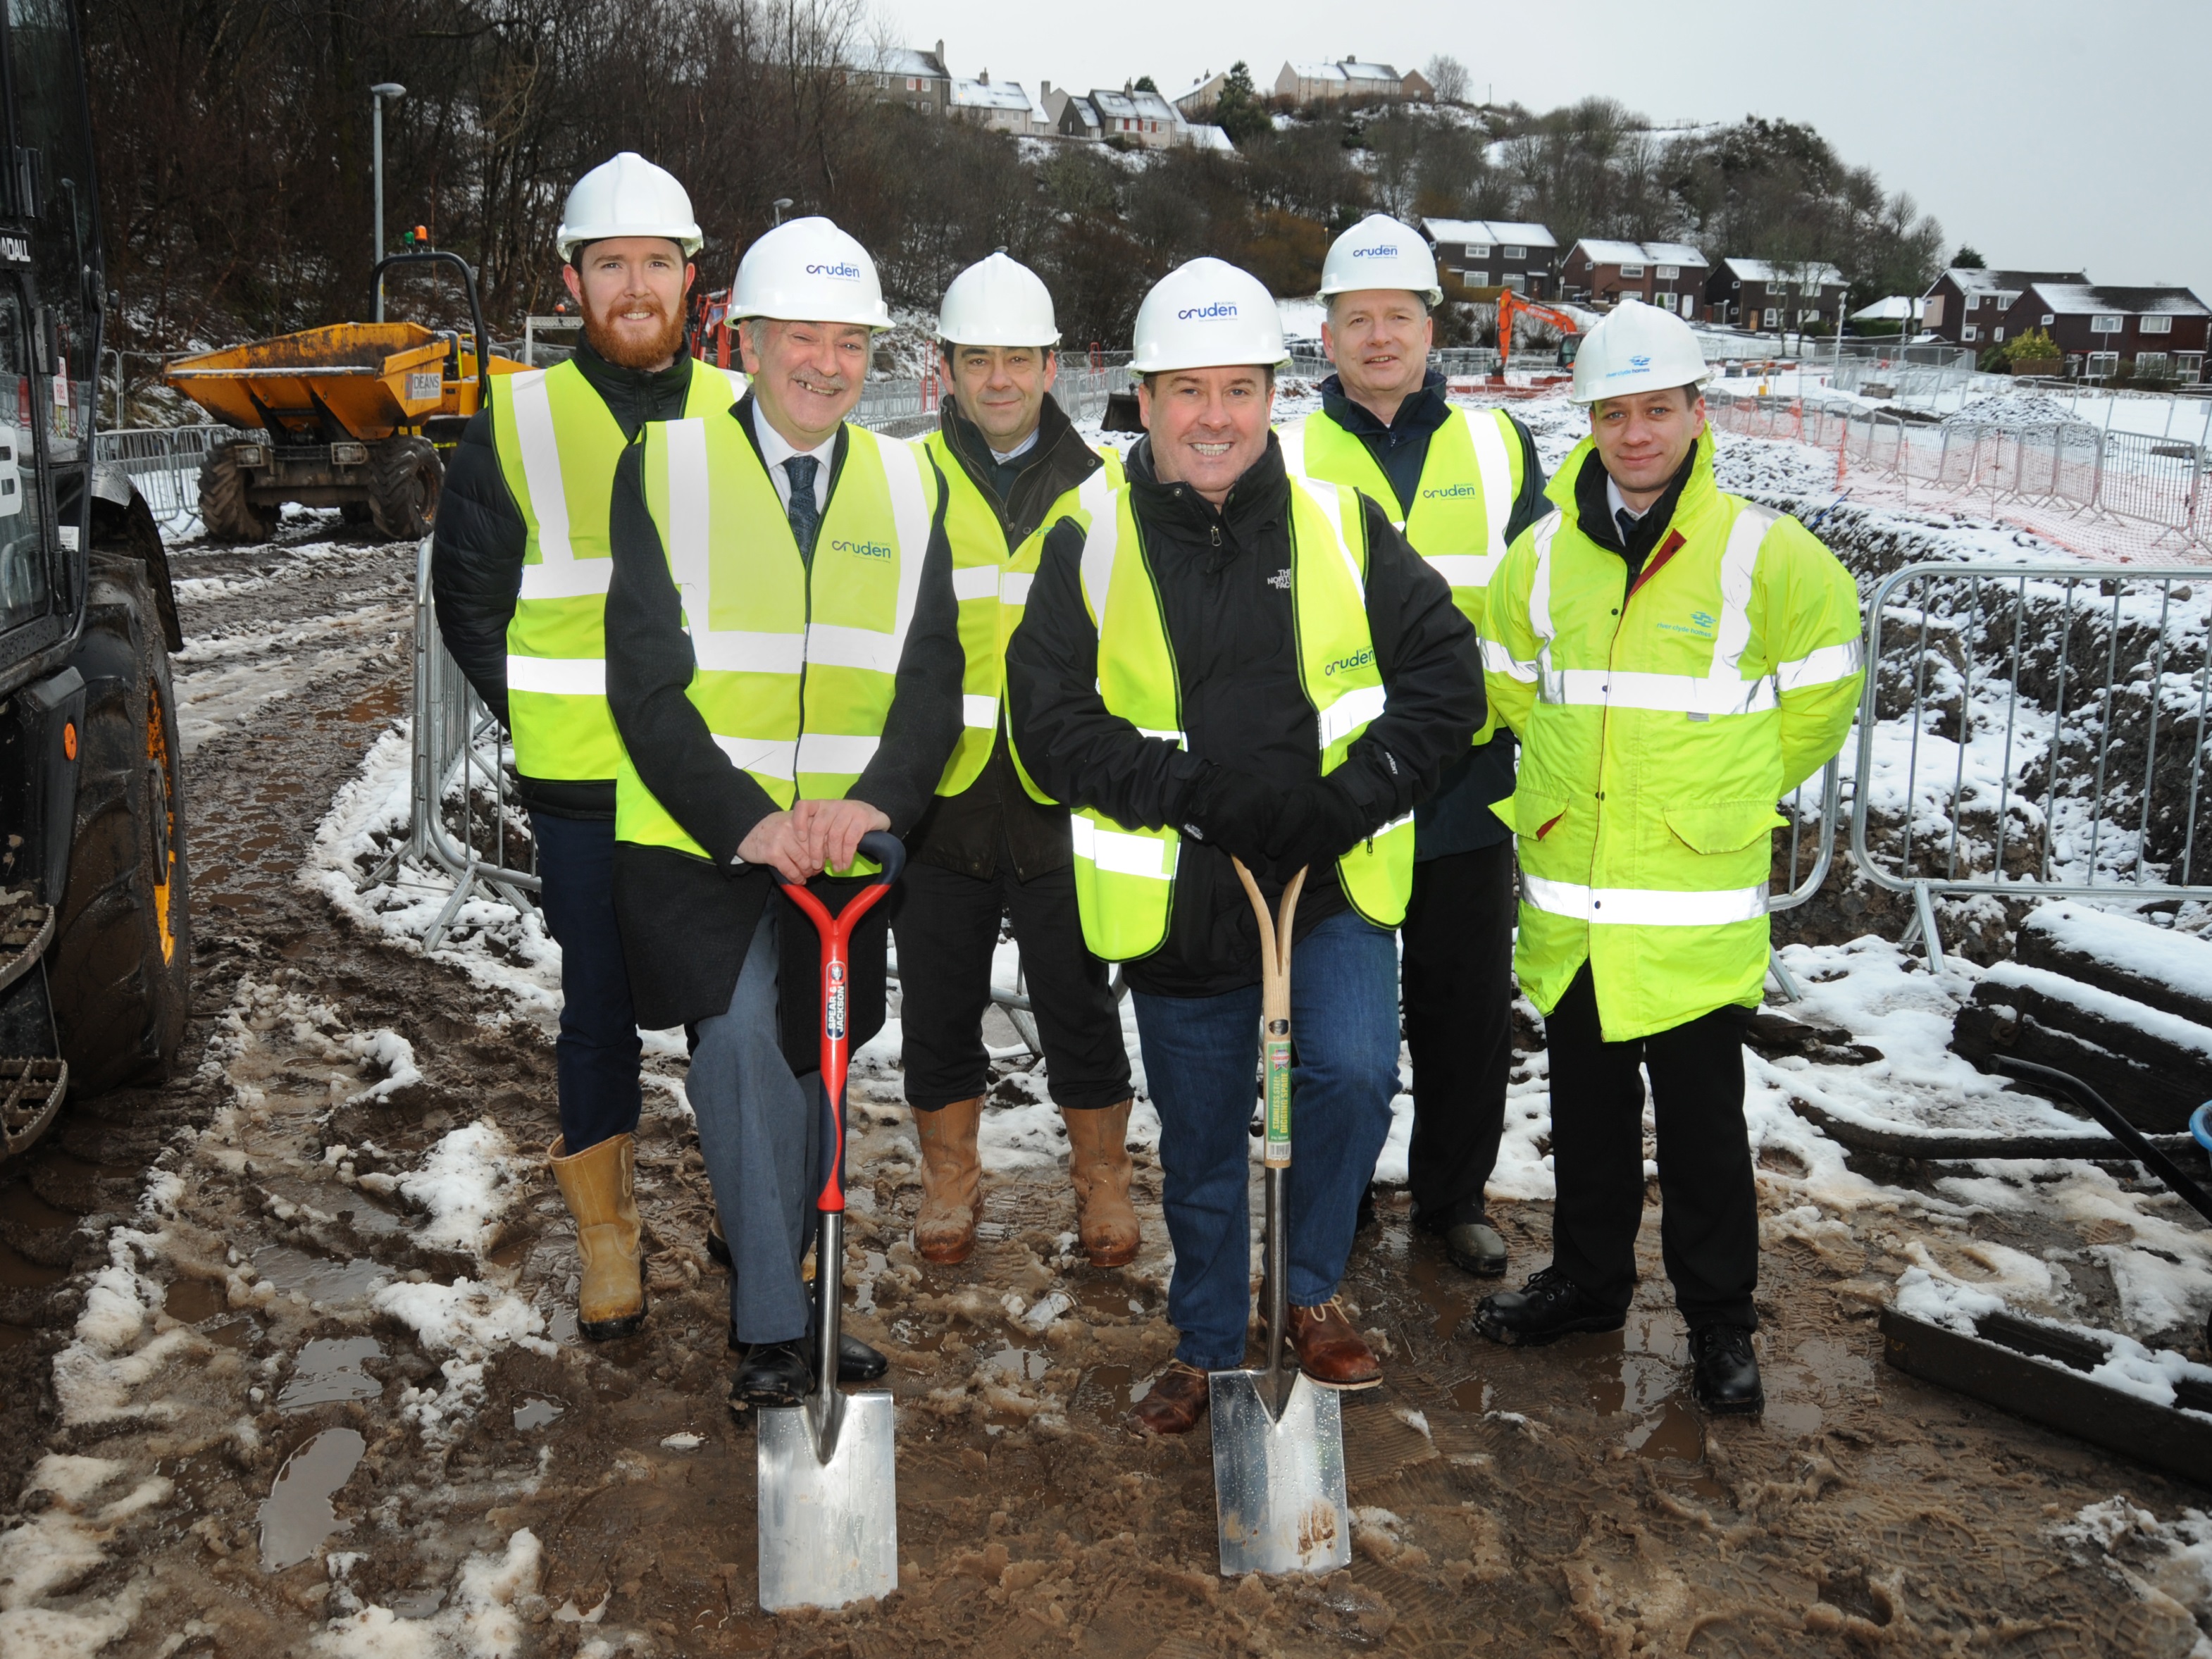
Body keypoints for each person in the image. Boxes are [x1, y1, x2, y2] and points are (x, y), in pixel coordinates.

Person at [1005, 257, 1484, 1435]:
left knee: (1356, 1073)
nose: (1213, 418)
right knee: (1209, 1130)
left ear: (1273, 396)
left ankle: (1311, 1284)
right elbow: (1049, 722)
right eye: (1187, 392)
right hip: (1182, 885)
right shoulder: (1092, 536)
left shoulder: (1338, 517)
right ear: (1146, 398)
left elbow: (1446, 681)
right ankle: (1212, 1340)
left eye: (1238, 390)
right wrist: (1189, 792)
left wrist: (1348, 799)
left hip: (1326, 879)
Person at [1468, 300, 1863, 1414]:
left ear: (1699, 413)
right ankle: (1590, 1285)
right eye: (1614, 414)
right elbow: (1510, 690)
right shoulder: (1539, 560)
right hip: (1575, 900)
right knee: (1587, 1114)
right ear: (1590, 422)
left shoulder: (1767, 555)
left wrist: (1724, 791)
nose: (1636, 434)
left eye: (1657, 410)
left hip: (1690, 907)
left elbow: (1825, 692)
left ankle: (1720, 1324)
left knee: (1702, 1130)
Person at [602, 216, 967, 1408]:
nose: (825, 363)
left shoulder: (914, 484)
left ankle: (776, 1259)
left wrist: (870, 807)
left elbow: (931, 686)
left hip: (846, 849)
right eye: (799, 337)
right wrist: (750, 822)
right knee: (748, 1043)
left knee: (822, 1057)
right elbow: (644, 685)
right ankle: (776, 1322)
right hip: (706, 846)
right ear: (746, 344)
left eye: (850, 342)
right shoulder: (664, 466)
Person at [433, 153, 742, 1341]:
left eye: (655, 264)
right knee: (598, 1015)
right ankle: (610, 1245)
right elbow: (470, 601)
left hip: (718, 792)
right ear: (573, 281)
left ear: (689, 280)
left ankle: (750, 1217)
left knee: (732, 1015)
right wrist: (544, 715)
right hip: (582, 788)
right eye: (609, 264)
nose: (633, 286)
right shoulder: (515, 418)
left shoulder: (741, 414)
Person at [1279, 214, 1548, 1279]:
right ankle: (1333, 1194)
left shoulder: (1496, 446)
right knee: (1325, 1022)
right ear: (1329, 335)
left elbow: (1534, 604)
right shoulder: (1290, 450)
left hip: (1465, 781)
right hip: (1338, 789)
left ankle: (1454, 1196)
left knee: (1463, 1008)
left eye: (1398, 317)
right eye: (1358, 320)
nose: (1379, 337)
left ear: (1433, 328)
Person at [900, 253, 1137, 1267]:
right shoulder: (904, 478)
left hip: (1059, 793)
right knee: (940, 998)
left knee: (1078, 999)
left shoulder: (1110, 488)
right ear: (944, 368)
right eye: (977, 359)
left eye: (1020, 359)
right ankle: (950, 1179)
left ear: (1054, 366)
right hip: (939, 788)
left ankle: (1103, 1183)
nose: (999, 379)